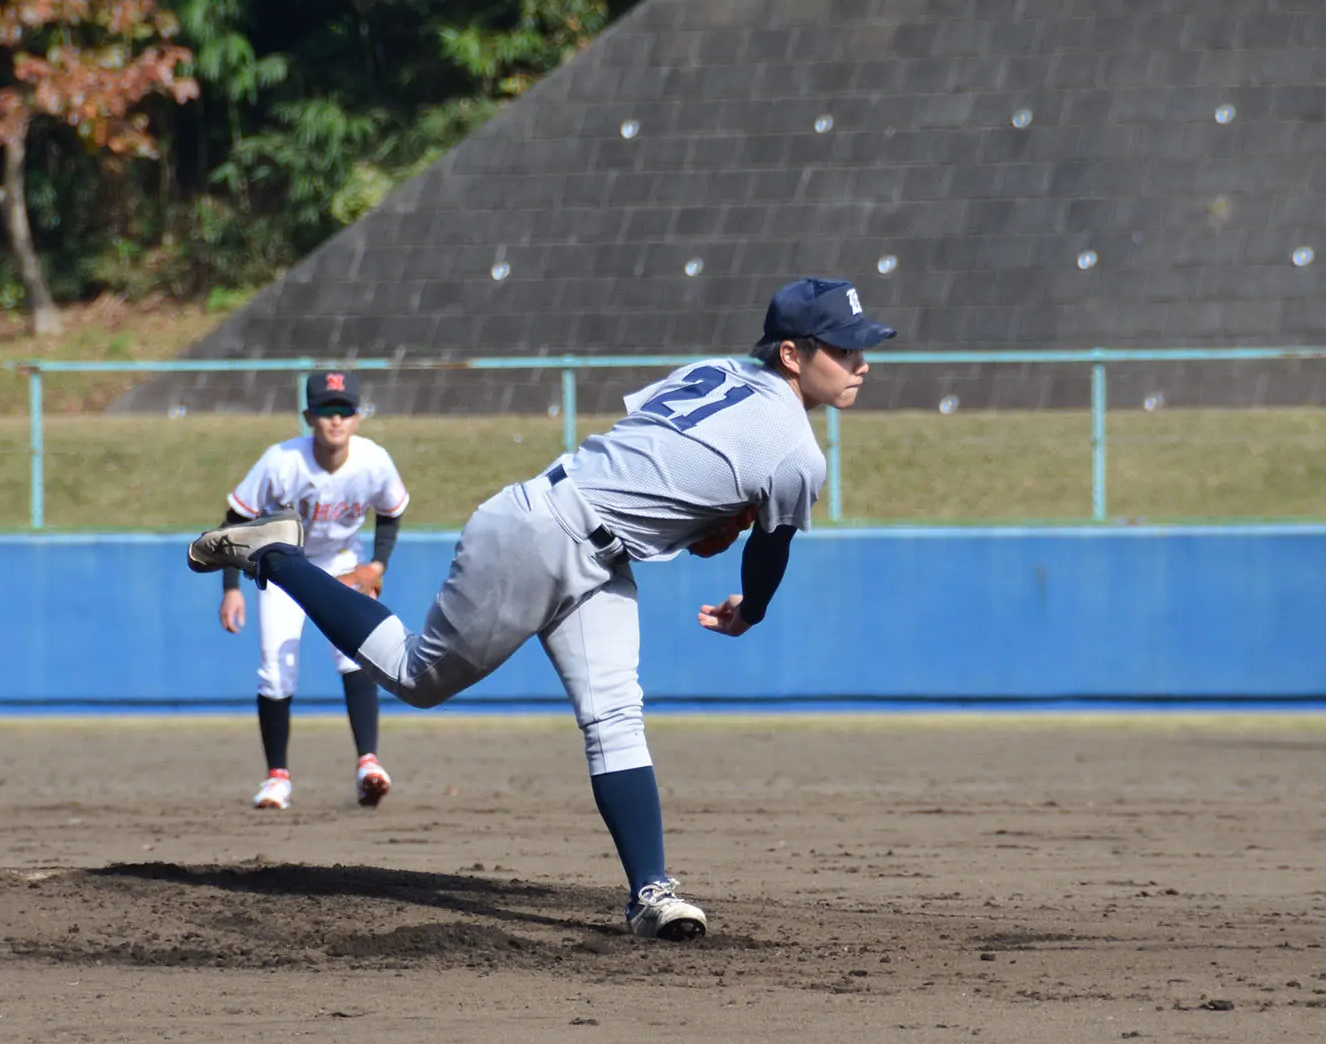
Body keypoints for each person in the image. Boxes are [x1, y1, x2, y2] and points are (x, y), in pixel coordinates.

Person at [186, 277, 892, 940]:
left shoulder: (717, 371)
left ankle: (651, 893)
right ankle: (275, 555)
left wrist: (698, 516)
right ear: (793, 354)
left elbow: (657, 451)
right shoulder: (799, 451)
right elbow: (767, 552)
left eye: (861, 345)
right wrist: (753, 608)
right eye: (844, 347)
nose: (861, 361)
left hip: (597, 550)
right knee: (415, 675)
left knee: (615, 713)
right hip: (539, 534)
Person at [215, 371, 410, 808]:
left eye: (344, 411)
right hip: (285, 565)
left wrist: (376, 564)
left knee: (357, 655)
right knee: (276, 668)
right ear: (309, 416)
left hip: (342, 563)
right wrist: (231, 588)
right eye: (326, 411)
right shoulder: (281, 460)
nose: (336, 420)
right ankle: (277, 778)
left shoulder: (374, 460)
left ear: (359, 417)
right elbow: (235, 519)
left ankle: (368, 764)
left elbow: (392, 510)